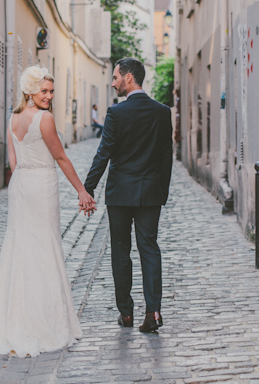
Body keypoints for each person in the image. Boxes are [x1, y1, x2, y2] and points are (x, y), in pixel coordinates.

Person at [0, 66, 96, 357]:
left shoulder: (13, 118)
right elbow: (60, 156)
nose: (49, 96)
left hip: (21, 184)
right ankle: (44, 323)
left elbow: (13, 160)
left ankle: (13, 320)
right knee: (44, 245)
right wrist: (82, 191)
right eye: (43, 91)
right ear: (30, 91)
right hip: (42, 182)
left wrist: (22, 183)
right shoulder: (44, 118)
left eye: (51, 91)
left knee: (20, 247)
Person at [83, 58, 173, 333]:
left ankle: (126, 314)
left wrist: (88, 187)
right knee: (150, 249)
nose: (113, 82)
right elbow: (166, 157)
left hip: (120, 193)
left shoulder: (116, 113)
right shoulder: (162, 112)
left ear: (129, 78)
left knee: (121, 251)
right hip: (150, 193)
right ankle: (154, 311)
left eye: (115, 77)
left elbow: (104, 153)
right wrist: (162, 192)